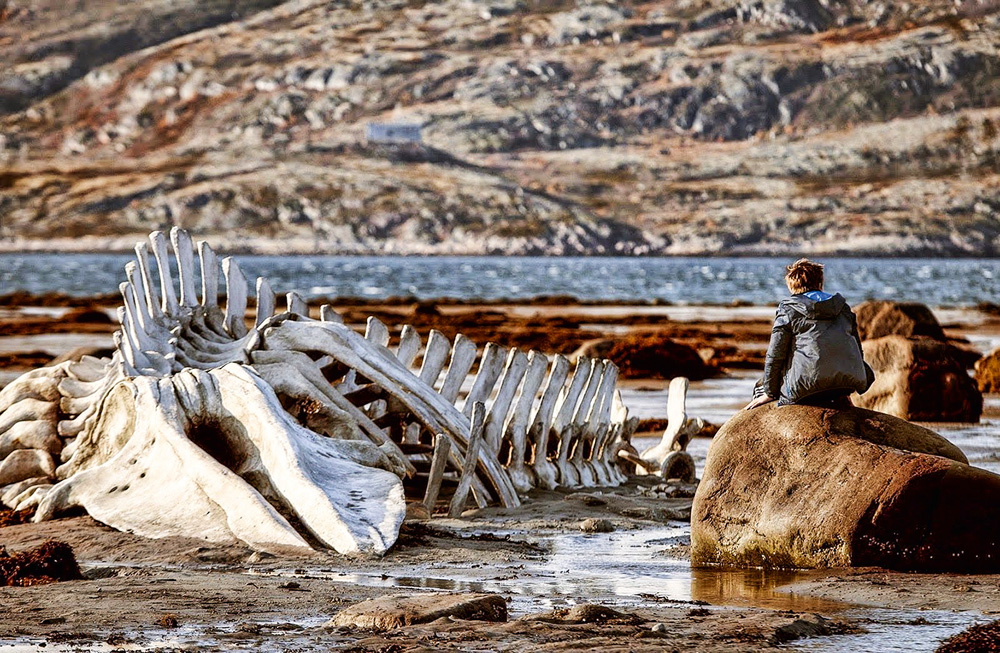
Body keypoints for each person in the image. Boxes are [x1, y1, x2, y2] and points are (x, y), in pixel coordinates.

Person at [745, 258, 874, 410]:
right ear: (820, 284)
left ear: (792, 287)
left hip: (807, 390)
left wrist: (770, 393)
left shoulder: (789, 310)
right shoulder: (843, 308)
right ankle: (841, 398)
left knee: (760, 387)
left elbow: (775, 355)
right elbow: (857, 350)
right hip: (847, 385)